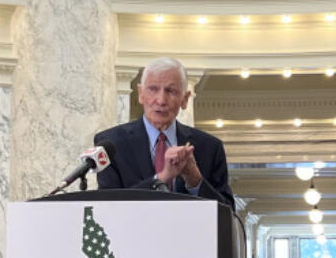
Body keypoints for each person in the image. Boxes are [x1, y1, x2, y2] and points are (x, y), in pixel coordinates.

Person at [95, 57, 234, 208]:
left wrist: (194, 179)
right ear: (141, 93)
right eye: (153, 89)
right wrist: (162, 177)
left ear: (185, 99)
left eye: (171, 91)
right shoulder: (111, 143)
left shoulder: (209, 147)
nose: (161, 100)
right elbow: (107, 207)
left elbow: (228, 215)